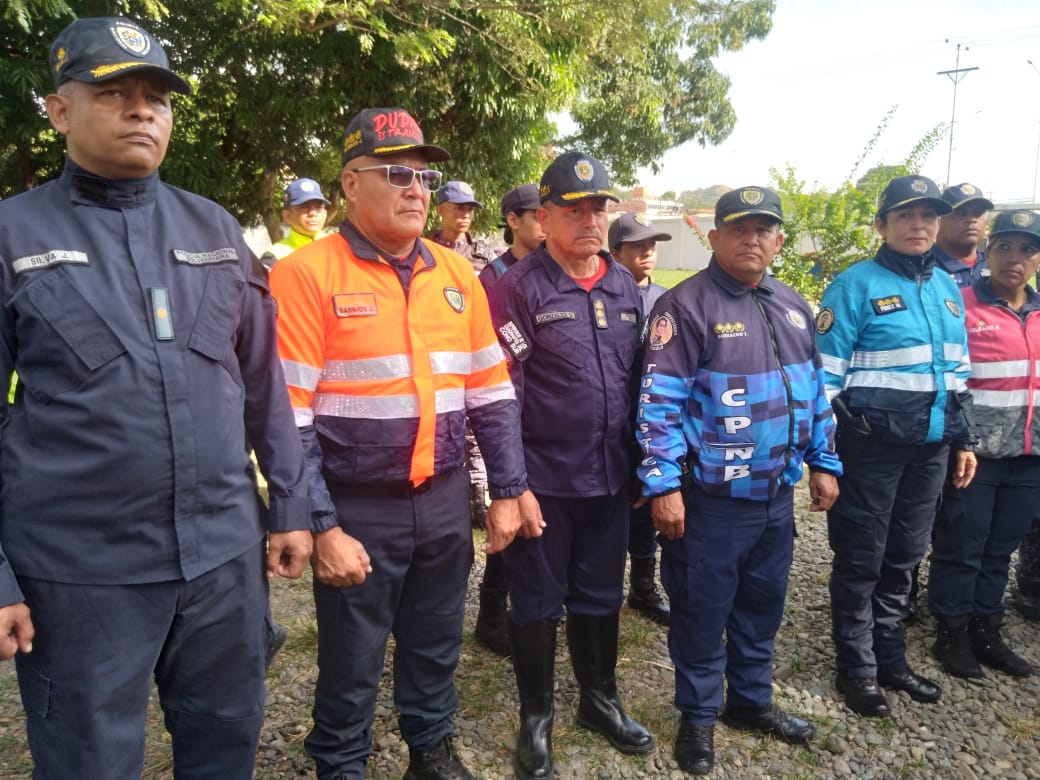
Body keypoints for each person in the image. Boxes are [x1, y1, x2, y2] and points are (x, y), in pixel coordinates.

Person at [0, 17, 313, 778]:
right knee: (89, 764)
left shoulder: (213, 227)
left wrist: (291, 509)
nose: (143, 111)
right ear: (60, 110)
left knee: (224, 749)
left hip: (221, 562)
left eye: (157, 98)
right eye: (115, 93)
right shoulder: (13, 235)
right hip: (80, 573)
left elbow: (262, 384)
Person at [268, 107, 534, 780]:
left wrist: (508, 490)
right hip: (358, 507)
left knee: (436, 639)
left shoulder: (456, 274)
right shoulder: (305, 277)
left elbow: (491, 393)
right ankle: (341, 761)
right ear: (351, 184)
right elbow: (286, 418)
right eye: (397, 173)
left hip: (442, 499)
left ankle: (430, 749)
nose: (418, 188)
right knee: (352, 656)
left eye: (424, 174)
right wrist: (320, 525)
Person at [636, 187, 841, 775]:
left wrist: (824, 461)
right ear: (716, 236)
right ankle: (697, 720)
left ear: (778, 239)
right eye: (740, 228)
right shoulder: (685, 307)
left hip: (776, 497)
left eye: (765, 229)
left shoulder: (793, 304)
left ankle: (750, 704)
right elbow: (657, 409)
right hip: (711, 505)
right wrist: (664, 487)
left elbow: (815, 392)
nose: (753, 239)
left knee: (761, 608)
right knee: (702, 615)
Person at [488, 152, 654, 780]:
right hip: (545, 483)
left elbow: (641, 382)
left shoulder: (621, 285)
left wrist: (643, 466)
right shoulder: (517, 289)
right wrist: (513, 486)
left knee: (600, 594)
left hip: (609, 478)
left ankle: (598, 699)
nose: (589, 220)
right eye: (573, 210)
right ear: (547, 215)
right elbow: (502, 393)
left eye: (598, 208)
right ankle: (537, 717)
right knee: (535, 600)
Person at [817, 175, 976, 718]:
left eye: (928, 216)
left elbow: (958, 374)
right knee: (862, 558)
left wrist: (964, 440)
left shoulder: (947, 288)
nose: (919, 225)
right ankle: (856, 669)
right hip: (871, 452)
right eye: (906, 216)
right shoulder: (853, 286)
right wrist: (825, 458)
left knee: (905, 558)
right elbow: (824, 381)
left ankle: (891, 659)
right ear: (881, 225)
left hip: (930, 449)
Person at [928, 210, 1040, 679]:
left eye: (1027, 249)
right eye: (1006, 247)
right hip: (976, 455)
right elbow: (948, 380)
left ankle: (986, 630)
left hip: (1030, 456)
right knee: (963, 545)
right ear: (988, 252)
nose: (1015, 258)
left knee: (1001, 547)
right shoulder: (962, 306)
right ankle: (951, 634)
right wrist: (960, 440)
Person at [907, 181, 993, 622]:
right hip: (922, 414)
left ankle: (955, 604)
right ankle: (905, 593)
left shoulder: (995, 274)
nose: (972, 220)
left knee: (963, 517)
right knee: (916, 514)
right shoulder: (923, 272)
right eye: (961, 212)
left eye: (978, 212)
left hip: (978, 411)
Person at [473, 183, 546, 658]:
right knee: (511, 516)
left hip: (550, 415)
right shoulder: (493, 276)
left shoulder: (556, 270)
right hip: (509, 412)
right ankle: (491, 612)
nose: (545, 222)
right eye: (536, 214)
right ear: (513, 220)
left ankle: (536, 607)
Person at [608, 211, 672, 626]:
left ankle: (644, 588)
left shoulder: (668, 299)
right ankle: (600, 586)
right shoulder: (603, 294)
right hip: (610, 419)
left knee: (647, 504)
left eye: (652, 244)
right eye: (637, 245)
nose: (647, 252)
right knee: (610, 508)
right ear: (615, 252)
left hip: (650, 420)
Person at [260, 177, 331, 269]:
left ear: (325, 214)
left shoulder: (341, 247)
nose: (312, 213)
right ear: (287, 216)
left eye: (318, 207)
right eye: (304, 207)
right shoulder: (274, 257)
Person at [429, 180, 491, 273]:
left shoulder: (484, 255)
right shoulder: (426, 251)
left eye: (470, 210)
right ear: (441, 211)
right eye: (460, 208)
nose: (466, 215)